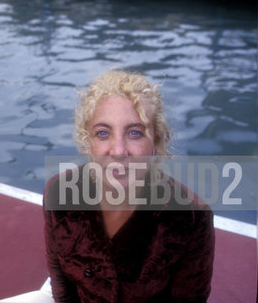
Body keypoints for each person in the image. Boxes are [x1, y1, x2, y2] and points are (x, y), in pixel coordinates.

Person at [43, 70, 215, 303]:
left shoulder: (191, 218)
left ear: (155, 143)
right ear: (88, 142)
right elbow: (61, 284)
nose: (118, 151)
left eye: (135, 133)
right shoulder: (59, 193)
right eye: (103, 133)